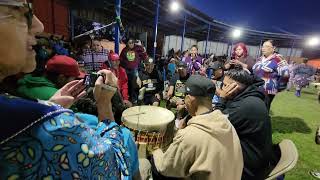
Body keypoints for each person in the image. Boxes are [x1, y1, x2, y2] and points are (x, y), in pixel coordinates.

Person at [0, 1, 139, 179]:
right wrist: (104, 103)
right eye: (23, 11)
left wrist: (49, 106)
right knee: (125, 136)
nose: (39, 25)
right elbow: (112, 168)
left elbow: (125, 84)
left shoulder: (20, 98)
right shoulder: (52, 128)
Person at [152, 75, 243, 180]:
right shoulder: (227, 124)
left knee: (154, 166)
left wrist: (156, 150)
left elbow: (165, 168)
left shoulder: (189, 135)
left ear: (190, 99)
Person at [215, 66, 278, 180]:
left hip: (247, 168)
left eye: (224, 85)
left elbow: (216, 125)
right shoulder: (251, 95)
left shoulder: (245, 106)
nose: (222, 88)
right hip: (256, 158)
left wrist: (222, 98)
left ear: (234, 86)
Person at [17, 55, 85, 100]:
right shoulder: (58, 97)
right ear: (61, 78)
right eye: (74, 78)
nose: (76, 81)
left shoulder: (26, 83)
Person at [252, 40, 283, 110]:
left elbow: (285, 75)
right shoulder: (260, 59)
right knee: (255, 108)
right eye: (263, 46)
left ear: (274, 48)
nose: (263, 48)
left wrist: (278, 87)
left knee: (263, 109)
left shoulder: (278, 59)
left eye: (267, 46)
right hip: (255, 88)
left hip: (268, 90)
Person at [120, 38, 148, 103]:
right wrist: (122, 67)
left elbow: (144, 56)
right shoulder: (124, 50)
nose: (131, 44)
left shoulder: (137, 48)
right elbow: (121, 59)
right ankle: (127, 97)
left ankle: (134, 98)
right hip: (126, 69)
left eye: (132, 42)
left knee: (134, 84)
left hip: (134, 69)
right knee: (126, 84)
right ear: (127, 43)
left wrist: (141, 47)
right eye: (129, 43)